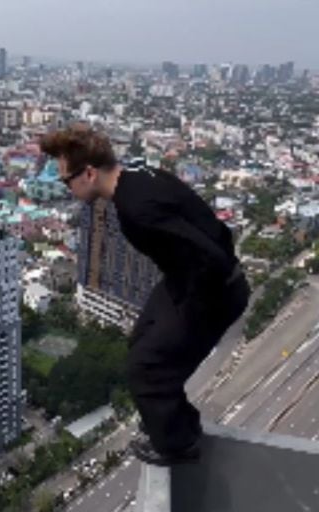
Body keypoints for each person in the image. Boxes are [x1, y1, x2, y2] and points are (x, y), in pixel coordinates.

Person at [40, 124, 250, 466]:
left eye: (67, 180)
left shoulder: (137, 207)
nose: (66, 188)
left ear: (89, 173)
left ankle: (178, 444)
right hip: (187, 279)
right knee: (142, 338)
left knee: (147, 368)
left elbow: (209, 258)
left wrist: (190, 312)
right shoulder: (138, 173)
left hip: (214, 291)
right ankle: (168, 419)